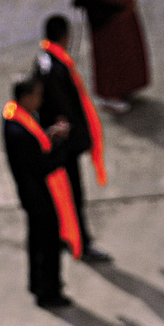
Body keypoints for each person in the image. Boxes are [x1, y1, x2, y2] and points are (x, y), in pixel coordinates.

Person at [2, 74, 80, 311]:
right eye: (37, 95)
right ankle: (49, 292)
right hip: (38, 196)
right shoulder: (19, 132)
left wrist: (49, 135)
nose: (40, 100)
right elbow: (42, 164)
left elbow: (35, 146)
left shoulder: (16, 117)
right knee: (48, 244)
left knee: (37, 241)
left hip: (30, 194)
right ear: (25, 97)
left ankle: (37, 284)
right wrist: (62, 145)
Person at [36, 15, 111, 264]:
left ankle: (63, 237)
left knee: (60, 195)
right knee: (72, 195)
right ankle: (81, 243)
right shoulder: (56, 67)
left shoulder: (43, 61)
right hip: (63, 145)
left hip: (55, 143)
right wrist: (80, 137)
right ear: (65, 35)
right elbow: (66, 109)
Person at [74, 0, 150, 114]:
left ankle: (124, 88)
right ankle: (110, 95)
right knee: (111, 52)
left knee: (124, 48)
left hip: (115, 6)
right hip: (107, 9)